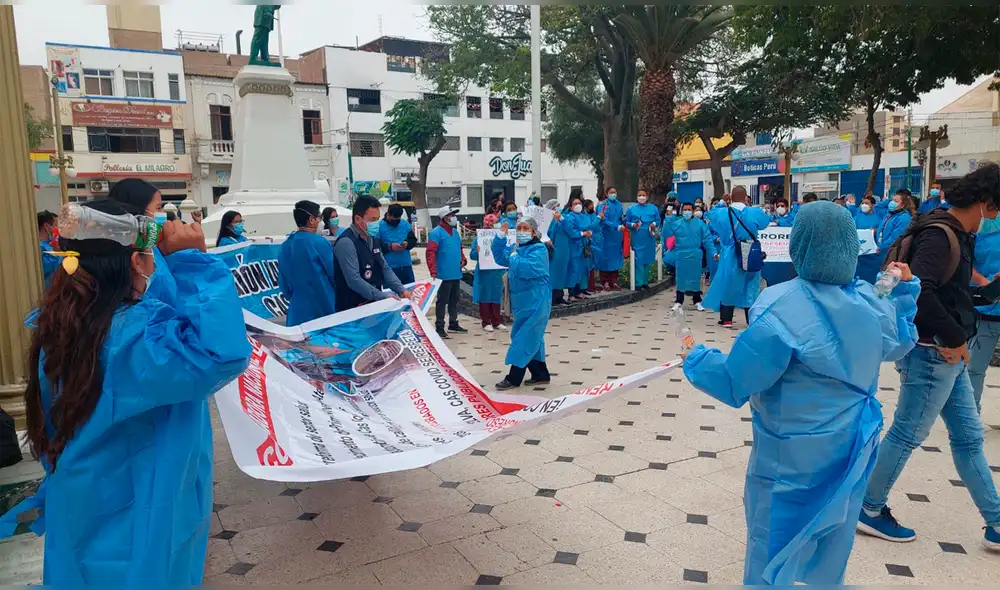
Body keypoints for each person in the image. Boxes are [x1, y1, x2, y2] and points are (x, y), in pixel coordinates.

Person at [0, 199, 251, 584]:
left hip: (87, 499)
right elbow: (221, 354)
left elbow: (159, 307)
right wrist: (193, 261)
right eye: (153, 258)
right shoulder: (135, 340)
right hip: (136, 513)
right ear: (136, 264)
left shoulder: (69, 324)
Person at [684, 201, 920, 584]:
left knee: (772, 534)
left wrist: (695, 357)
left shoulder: (780, 305)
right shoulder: (870, 299)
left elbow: (735, 381)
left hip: (789, 453)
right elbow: (900, 339)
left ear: (799, 245)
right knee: (834, 530)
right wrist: (904, 287)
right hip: (852, 442)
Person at [857, 164, 1000, 550]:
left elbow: (947, 292)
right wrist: (953, 337)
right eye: (997, 210)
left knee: (969, 438)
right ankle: (868, 508)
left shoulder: (940, 226)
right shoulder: (942, 236)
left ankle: (996, 522)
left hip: (948, 353)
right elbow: (919, 294)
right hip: (932, 352)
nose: (995, 219)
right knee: (907, 432)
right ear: (986, 204)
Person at [492, 217, 551, 390]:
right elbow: (501, 259)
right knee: (533, 337)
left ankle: (514, 377)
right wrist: (500, 238)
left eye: (526, 228)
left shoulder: (539, 249)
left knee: (524, 337)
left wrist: (514, 258)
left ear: (533, 232)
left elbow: (531, 269)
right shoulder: (517, 249)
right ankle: (540, 374)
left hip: (537, 300)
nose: (522, 231)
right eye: (519, 228)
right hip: (522, 301)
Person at [703, 186, 772, 327]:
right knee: (751, 285)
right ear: (746, 197)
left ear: (730, 198)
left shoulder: (722, 212)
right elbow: (765, 222)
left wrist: (722, 201)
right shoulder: (754, 212)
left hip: (730, 252)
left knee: (729, 283)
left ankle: (727, 319)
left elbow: (710, 214)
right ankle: (750, 319)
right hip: (750, 250)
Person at [332, 196, 410, 314]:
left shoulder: (373, 240)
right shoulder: (346, 242)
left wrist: (402, 290)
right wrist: (383, 297)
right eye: (372, 220)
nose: (376, 224)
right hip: (352, 310)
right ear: (358, 219)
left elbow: (385, 268)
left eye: (378, 219)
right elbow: (354, 280)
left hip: (373, 306)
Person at [107, 178, 177, 304]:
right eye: (158, 208)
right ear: (138, 210)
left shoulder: (153, 246)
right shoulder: (123, 254)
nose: (162, 213)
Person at [278, 201, 338, 326]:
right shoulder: (319, 243)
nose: (321, 221)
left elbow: (283, 284)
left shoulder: (285, 246)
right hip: (323, 308)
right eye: (319, 217)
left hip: (297, 313)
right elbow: (335, 276)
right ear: (311, 219)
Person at [969, 214, 1000, 414]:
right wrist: (984, 282)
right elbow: (964, 264)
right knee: (975, 368)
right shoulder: (977, 233)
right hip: (985, 310)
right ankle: (970, 414)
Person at [426, 205, 467, 338]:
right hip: (443, 273)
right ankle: (439, 326)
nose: (453, 217)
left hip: (455, 271)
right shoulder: (436, 233)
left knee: (454, 300)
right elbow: (430, 252)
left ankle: (453, 323)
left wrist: (463, 259)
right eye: (451, 215)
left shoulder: (455, 233)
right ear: (444, 217)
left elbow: (459, 248)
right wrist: (433, 270)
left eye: (454, 215)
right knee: (442, 301)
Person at [666, 202, 715, 312]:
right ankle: (679, 301)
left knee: (695, 278)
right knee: (681, 278)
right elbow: (667, 231)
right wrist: (669, 216)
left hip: (695, 254)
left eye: (689, 209)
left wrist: (713, 252)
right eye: (685, 210)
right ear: (682, 211)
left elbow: (707, 239)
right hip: (681, 254)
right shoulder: (677, 223)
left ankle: (697, 300)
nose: (687, 212)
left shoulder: (700, 224)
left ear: (693, 211)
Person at [548, 190, 588, 303]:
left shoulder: (564, 219)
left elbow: (570, 230)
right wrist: (548, 241)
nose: (557, 209)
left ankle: (559, 296)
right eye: (555, 207)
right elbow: (547, 232)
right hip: (554, 249)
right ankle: (552, 297)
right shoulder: (550, 220)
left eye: (558, 207)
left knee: (562, 272)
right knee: (554, 272)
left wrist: (561, 219)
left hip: (564, 249)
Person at [470, 222, 506, 333]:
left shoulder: (500, 237)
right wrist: (477, 251)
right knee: (485, 296)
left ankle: (497, 321)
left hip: (497, 271)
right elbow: (472, 255)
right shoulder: (479, 238)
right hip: (484, 272)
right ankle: (486, 321)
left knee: (496, 296)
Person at [625, 188, 659, 291]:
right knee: (638, 259)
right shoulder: (631, 209)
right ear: (637, 197)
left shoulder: (653, 208)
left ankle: (645, 282)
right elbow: (626, 222)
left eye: (644, 195)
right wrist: (632, 225)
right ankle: (638, 283)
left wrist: (654, 224)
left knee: (647, 260)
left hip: (649, 236)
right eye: (640, 195)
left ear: (647, 197)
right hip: (638, 236)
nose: (642, 197)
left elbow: (658, 220)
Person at [378, 204, 417, 285]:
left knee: (410, 292)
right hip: (389, 268)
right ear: (388, 214)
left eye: (398, 219)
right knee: (391, 295)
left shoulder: (404, 224)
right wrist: (390, 247)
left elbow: (413, 240)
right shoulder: (379, 226)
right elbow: (375, 247)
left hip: (406, 266)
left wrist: (407, 244)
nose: (396, 222)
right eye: (393, 219)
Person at [595, 186, 625, 290]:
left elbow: (620, 217)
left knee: (616, 258)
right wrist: (616, 226)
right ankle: (605, 281)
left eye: (615, 192)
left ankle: (614, 281)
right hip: (606, 235)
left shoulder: (618, 204)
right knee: (605, 258)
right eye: (611, 192)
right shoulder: (603, 205)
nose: (613, 194)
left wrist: (623, 223)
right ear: (606, 194)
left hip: (616, 236)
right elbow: (603, 220)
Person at [875, 189, 915, 265]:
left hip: (891, 253)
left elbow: (895, 237)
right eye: (892, 200)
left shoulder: (904, 218)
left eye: (896, 201)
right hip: (882, 251)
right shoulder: (889, 214)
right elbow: (877, 207)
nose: (892, 203)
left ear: (903, 205)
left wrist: (882, 247)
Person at [854, 195, 883, 283]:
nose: (863, 205)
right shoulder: (857, 217)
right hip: (859, 253)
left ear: (873, 205)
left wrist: (876, 231)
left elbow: (882, 231)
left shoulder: (878, 218)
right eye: (862, 203)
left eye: (866, 203)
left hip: (872, 253)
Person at [583, 199, 604, 292]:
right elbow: (591, 226)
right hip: (591, 241)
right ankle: (589, 286)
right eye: (590, 205)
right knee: (590, 264)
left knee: (595, 263)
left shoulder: (593, 214)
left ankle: (593, 284)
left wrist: (601, 218)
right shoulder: (586, 216)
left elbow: (600, 225)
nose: (592, 207)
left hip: (598, 240)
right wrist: (598, 218)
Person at [37, 211, 60, 287]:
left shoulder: (53, 244)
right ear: (46, 226)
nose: (58, 229)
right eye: (56, 225)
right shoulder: (39, 248)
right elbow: (44, 269)